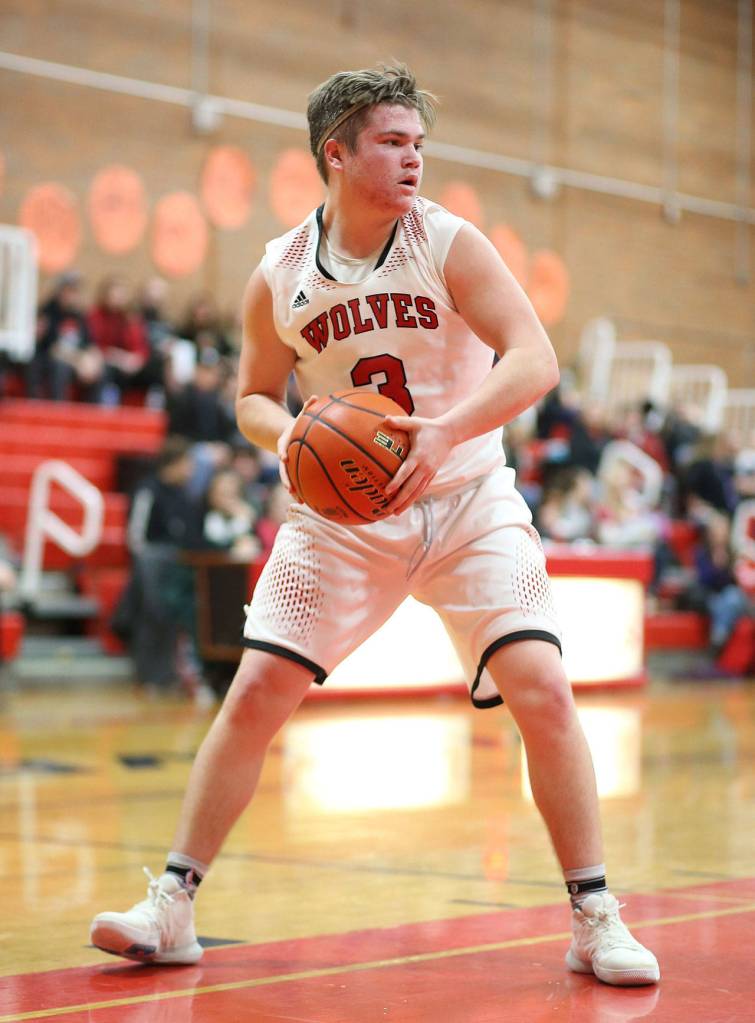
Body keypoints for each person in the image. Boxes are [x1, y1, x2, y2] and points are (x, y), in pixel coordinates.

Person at [90, 63, 659, 988]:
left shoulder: (448, 242)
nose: (412, 160)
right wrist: (294, 436)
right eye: (392, 143)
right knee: (256, 692)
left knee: (543, 689)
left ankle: (594, 917)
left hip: (467, 497)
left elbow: (536, 359)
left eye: (418, 144)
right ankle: (173, 902)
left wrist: (443, 432)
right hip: (341, 519)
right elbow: (249, 397)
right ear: (337, 153)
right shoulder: (278, 270)